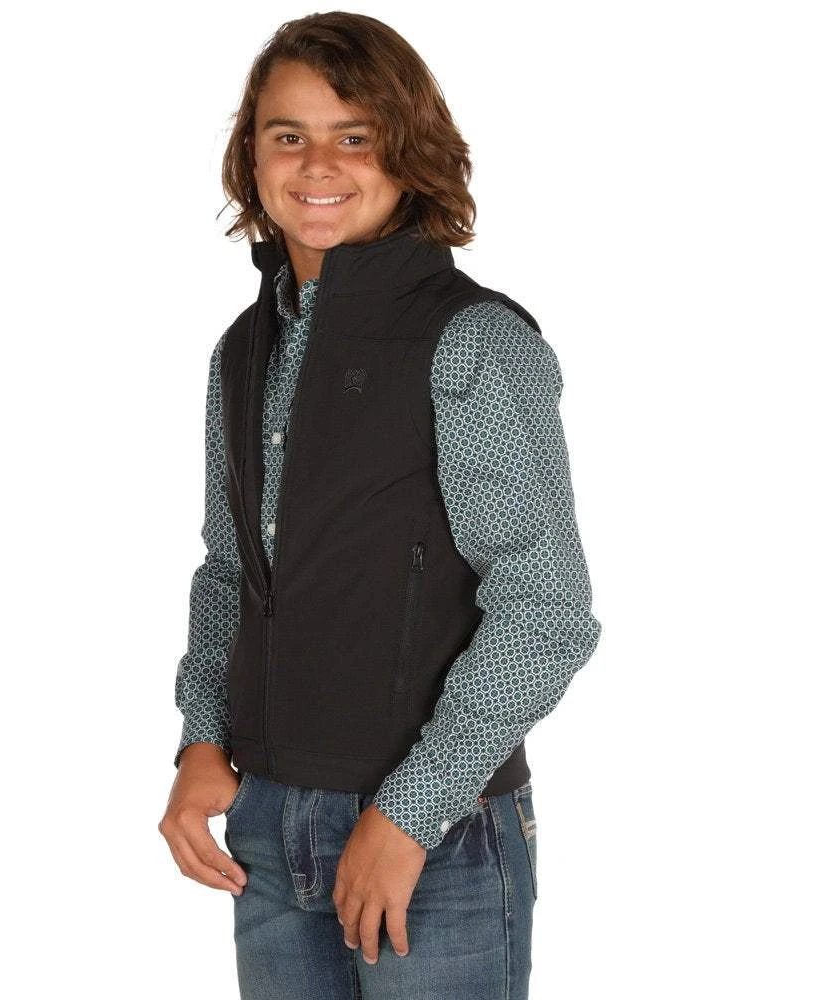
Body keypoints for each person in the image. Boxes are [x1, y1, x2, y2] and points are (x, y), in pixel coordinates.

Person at [158, 12, 602, 999]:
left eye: (353, 135)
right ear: (251, 157)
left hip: (436, 841)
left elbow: (545, 607)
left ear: (408, 151)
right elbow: (231, 572)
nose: (317, 164)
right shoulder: (243, 350)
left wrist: (409, 812)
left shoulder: (471, 342)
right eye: (287, 135)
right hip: (266, 826)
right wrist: (202, 738)